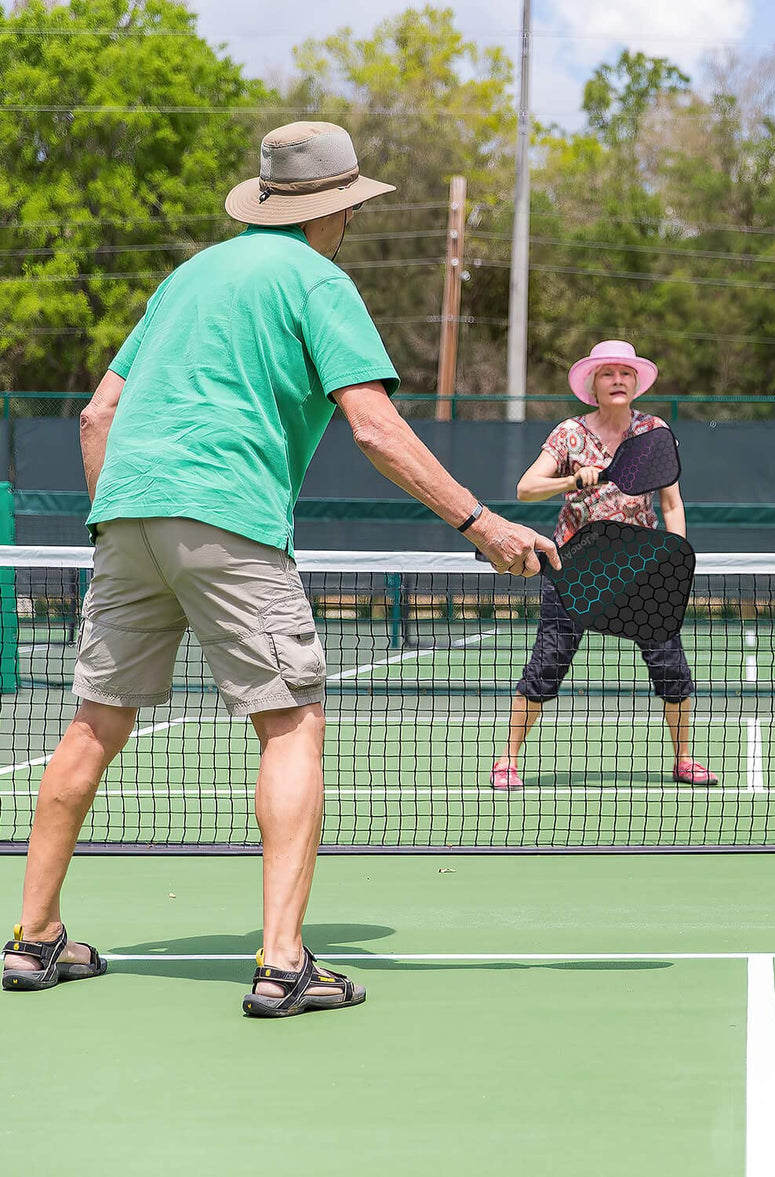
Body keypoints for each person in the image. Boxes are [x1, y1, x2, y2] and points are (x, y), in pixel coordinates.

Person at [1, 122, 557, 1016]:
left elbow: (96, 416)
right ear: (334, 209)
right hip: (228, 516)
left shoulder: (186, 276)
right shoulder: (318, 280)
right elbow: (373, 427)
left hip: (125, 516)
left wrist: (119, 521)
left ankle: (33, 940)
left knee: (94, 725)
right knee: (291, 723)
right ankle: (283, 959)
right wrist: (479, 521)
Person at [491, 340, 717, 791]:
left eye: (625, 373)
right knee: (547, 664)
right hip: (575, 568)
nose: (618, 380)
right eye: (608, 373)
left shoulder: (653, 431)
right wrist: (575, 478)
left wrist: (675, 559)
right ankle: (508, 760)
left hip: (642, 570)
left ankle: (684, 760)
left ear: (636, 383)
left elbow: (671, 504)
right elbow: (526, 488)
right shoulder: (569, 434)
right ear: (593, 385)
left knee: (671, 667)